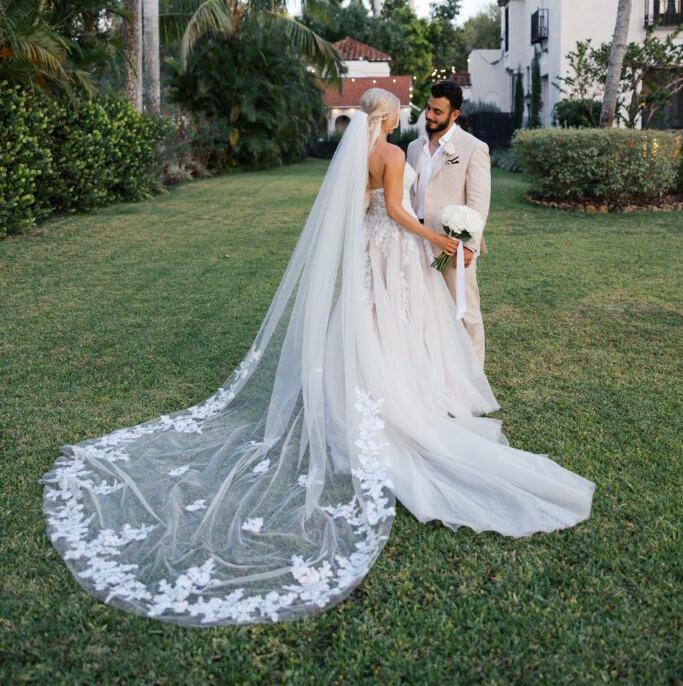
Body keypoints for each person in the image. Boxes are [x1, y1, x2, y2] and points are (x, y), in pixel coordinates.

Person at [38, 88, 594, 628]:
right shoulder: (394, 154)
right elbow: (398, 210)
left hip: (365, 247)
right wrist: (434, 238)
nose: (409, 117)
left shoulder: (357, 158)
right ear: (389, 117)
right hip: (397, 245)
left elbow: (358, 211)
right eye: (403, 111)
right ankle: (404, 397)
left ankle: (357, 397)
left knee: (366, 322)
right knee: (397, 323)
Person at [407, 80, 490, 365]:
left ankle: (473, 376)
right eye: (429, 108)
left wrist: (469, 247)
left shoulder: (473, 148)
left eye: (437, 112)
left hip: (453, 246)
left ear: (454, 114)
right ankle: (434, 368)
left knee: (464, 311)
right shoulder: (413, 147)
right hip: (415, 239)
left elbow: (479, 203)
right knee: (423, 307)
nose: (429, 115)